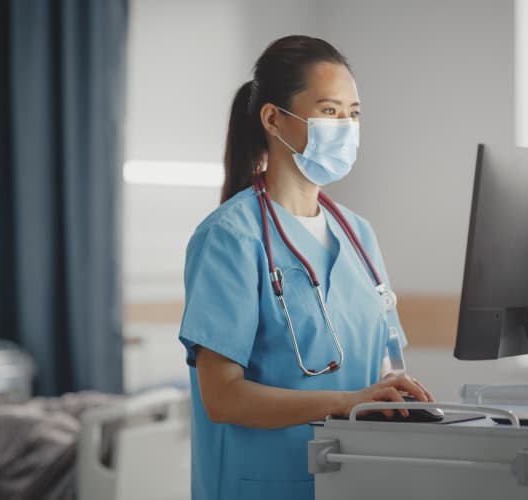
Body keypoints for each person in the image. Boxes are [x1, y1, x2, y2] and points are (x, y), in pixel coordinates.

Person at [178, 35, 435, 500]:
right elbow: (222, 397)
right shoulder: (231, 238)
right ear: (274, 118)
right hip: (261, 485)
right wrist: (345, 403)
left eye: (354, 113)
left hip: (353, 480)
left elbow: (383, 366)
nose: (347, 126)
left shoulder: (359, 235)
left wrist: (392, 393)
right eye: (330, 111)